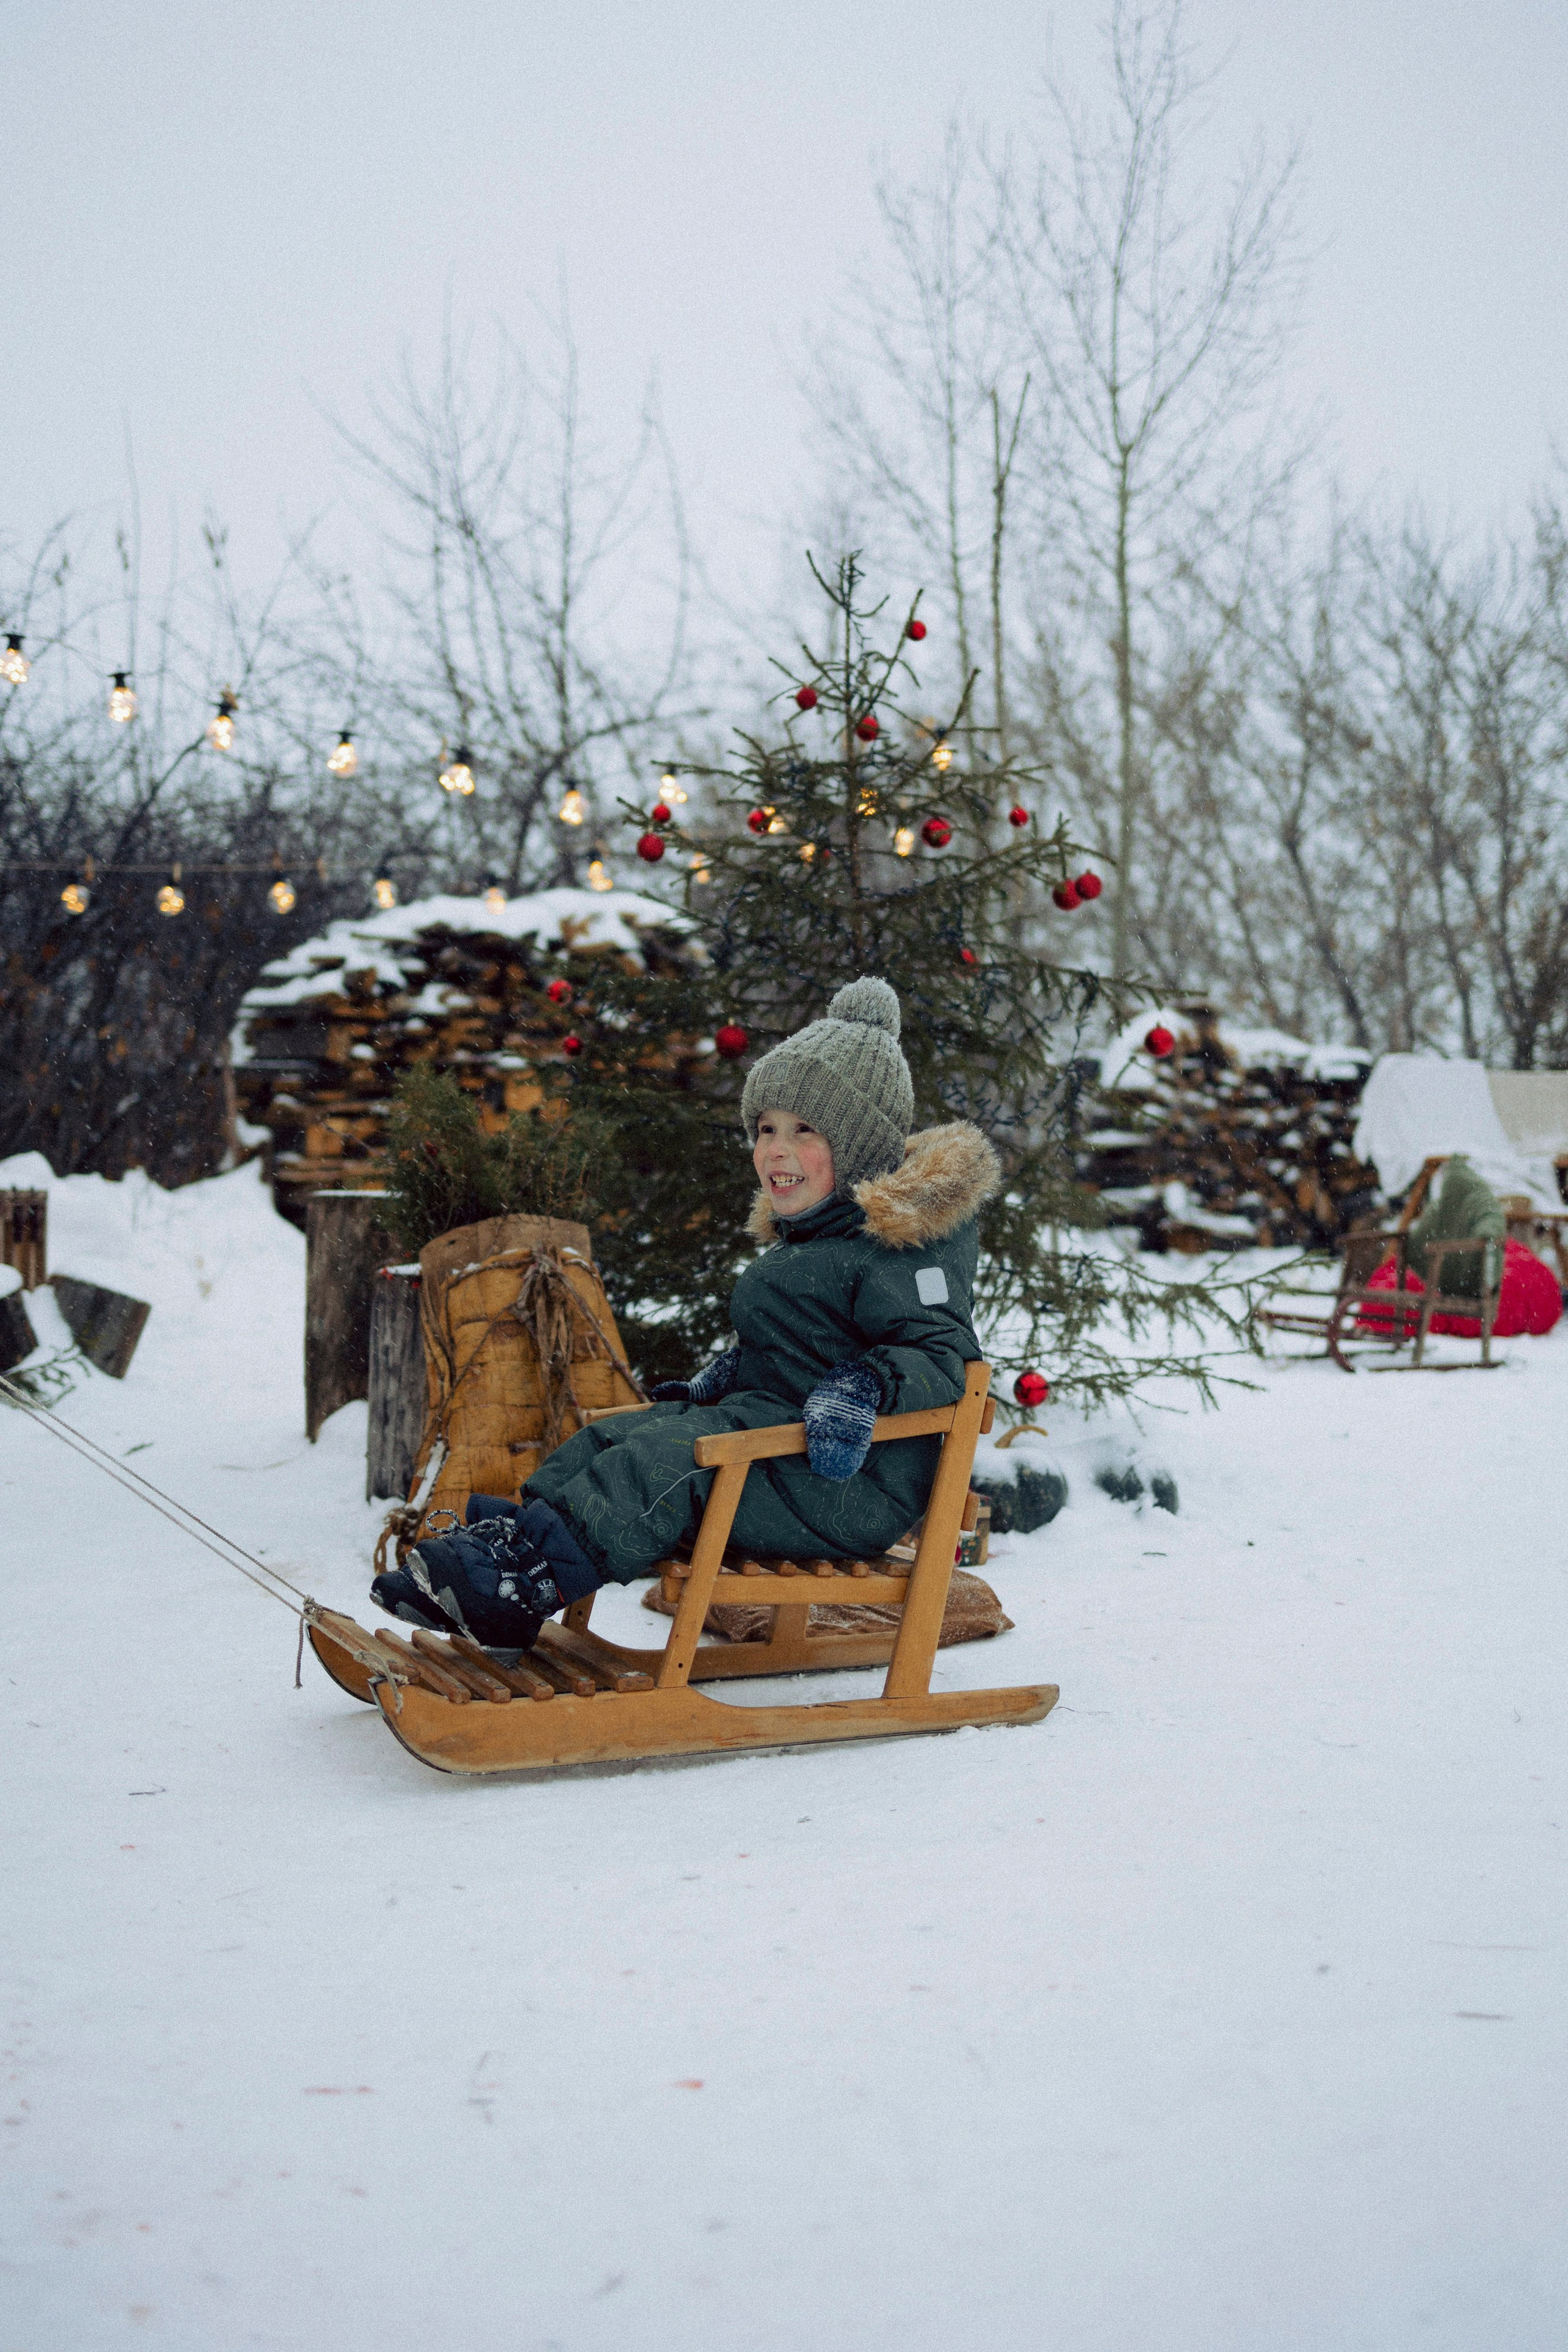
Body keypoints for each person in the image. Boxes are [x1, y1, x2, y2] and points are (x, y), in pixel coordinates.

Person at [370, 974, 1000, 1649]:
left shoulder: (901, 1247)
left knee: (665, 1463)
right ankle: (495, 1560)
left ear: (861, 1149)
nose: (775, 1151)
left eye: (805, 1130)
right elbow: (793, 1349)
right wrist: (720, 1380)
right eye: (765, 1129)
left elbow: (944, 1359)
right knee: (609, 1440)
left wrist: (865, 1385)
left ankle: (518, 1584)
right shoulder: (814, 1241)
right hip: (782, 1453)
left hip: (853, 1484)